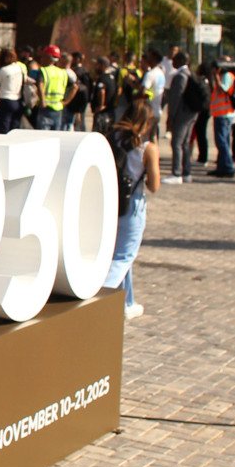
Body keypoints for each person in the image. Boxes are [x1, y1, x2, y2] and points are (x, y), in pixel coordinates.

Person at [103, 102, 159, 321]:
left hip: (111, 200)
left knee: (120, 253)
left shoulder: (112, 138)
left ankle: (127, 302)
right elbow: (154, 185)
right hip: (132, 203)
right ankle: (101, 297)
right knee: (124, 256)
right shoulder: (147, 147)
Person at [161, 51, 197, 184]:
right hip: (190, 114)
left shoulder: (180, 76)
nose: (173, 62)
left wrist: (171, 116)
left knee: (176, 143)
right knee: (185, 143)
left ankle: (176, 172)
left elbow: (175, 98)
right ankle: (186, 172)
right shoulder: (190, 74)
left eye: (175, 60)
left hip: (182, 114)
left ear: (181, 60)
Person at [208, 64, 235, 178]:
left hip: (224, 114)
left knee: (222, 142)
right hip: (220, 114)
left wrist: (216, 77)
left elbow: (223, 90)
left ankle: (228, 167)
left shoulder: (227, 76)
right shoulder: (222, 76)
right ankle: (221, 167)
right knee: (222, 142)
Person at [0, 49, 25, 133]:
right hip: (18, 100)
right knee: (14, 127)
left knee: (4, 126)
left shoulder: (3, 70)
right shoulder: (19, 68)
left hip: (6, 99)